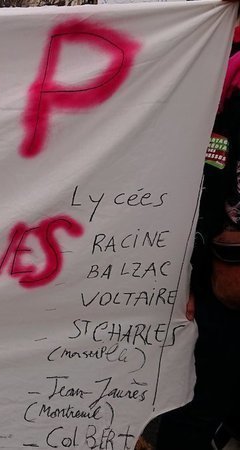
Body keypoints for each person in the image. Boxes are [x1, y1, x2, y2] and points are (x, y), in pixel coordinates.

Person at [156, 42, 240, 449]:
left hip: (220, 276)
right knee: (205, 390)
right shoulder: (226, 103)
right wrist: (190, 275)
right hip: (224, 278)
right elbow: (208, 188)